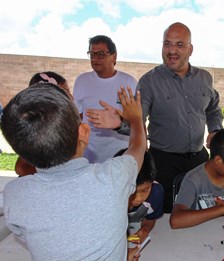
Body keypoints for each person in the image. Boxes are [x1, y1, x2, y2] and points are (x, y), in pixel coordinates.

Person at [85, 22, 223, 213]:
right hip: (164, 163)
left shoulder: (205, 78)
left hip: (199, 161)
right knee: (164, 215)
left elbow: (213, 108)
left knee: (199, 210)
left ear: (190, 49)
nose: (172, 50)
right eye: (167, 44)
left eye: (179, 45)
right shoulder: (149, 82)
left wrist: (215, 129)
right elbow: (137, 120)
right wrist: (120, 123)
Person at [1, 83, 146, 261]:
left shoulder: (14, 194)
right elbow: (138, 147)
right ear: (84, 133)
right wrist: (135, 119)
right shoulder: (114, 177)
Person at [73, 35, 137, 163]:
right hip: (89, 155)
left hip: (120, 155)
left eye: (101, 54)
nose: (95, 59)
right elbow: (77, 118)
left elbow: (136, 121)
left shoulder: (128, 82)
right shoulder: (82, 81)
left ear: (114, 56)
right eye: (92, 54)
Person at [169, 127, 224, 229]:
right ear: (218, 160)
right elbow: (176, 221)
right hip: (198, 239)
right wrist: (222, 209)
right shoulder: (193, 180)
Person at [15, 71, 73, 176]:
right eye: (66, 91)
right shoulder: (37, 125)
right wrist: (55, 175)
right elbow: (21, 168)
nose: (71, 97)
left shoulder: (60, 121)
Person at [114, 149, 164, 247]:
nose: (138, 198)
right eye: (132, 191)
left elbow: (150, 219)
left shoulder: (156, 193)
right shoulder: (106, 197)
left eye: (145, 190)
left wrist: (145, 229)